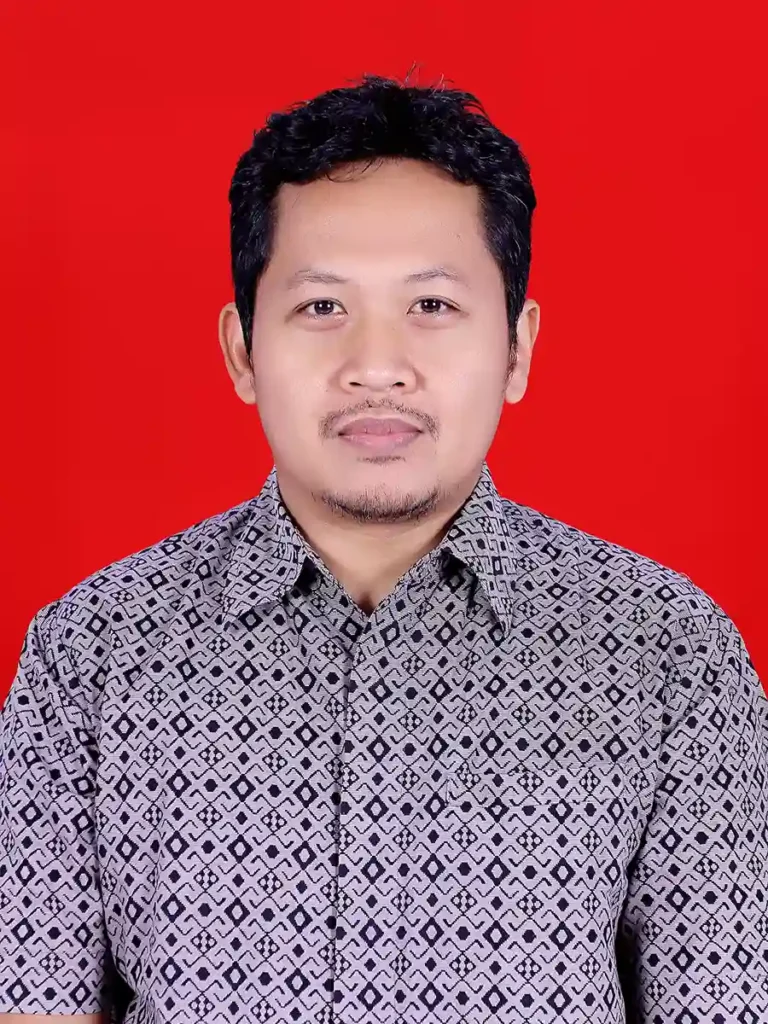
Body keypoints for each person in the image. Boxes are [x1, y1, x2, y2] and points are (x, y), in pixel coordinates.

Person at [1, 72, 765, 1024]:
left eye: (432, 306)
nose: (375, 366)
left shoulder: (669, 654)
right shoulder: (91, 653)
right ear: (241, 350)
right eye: (322, 307)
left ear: (518, 348)